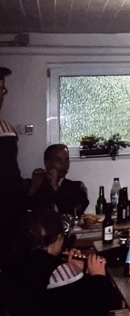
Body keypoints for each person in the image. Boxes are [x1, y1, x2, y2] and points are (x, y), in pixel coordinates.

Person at [0, 208, 114, 316]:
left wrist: (76, 271)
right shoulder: (58, 270)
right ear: (58, 238)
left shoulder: (14, 262)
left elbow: (59, 302)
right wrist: (99, 277)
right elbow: (96, 309)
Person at [0, 66, 26, 269]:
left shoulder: (5, 128)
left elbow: (11, 174)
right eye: (1, 88)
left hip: (11, 215)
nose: (5, 92)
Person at [26, 144, 89, 216]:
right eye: (58, 160)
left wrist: (56, 188)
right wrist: (33, 189)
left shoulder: (77, 188)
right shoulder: (34, 185)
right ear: (47, 163)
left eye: (66, 160)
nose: (64, 165)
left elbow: (73, 213)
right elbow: (24, 212)